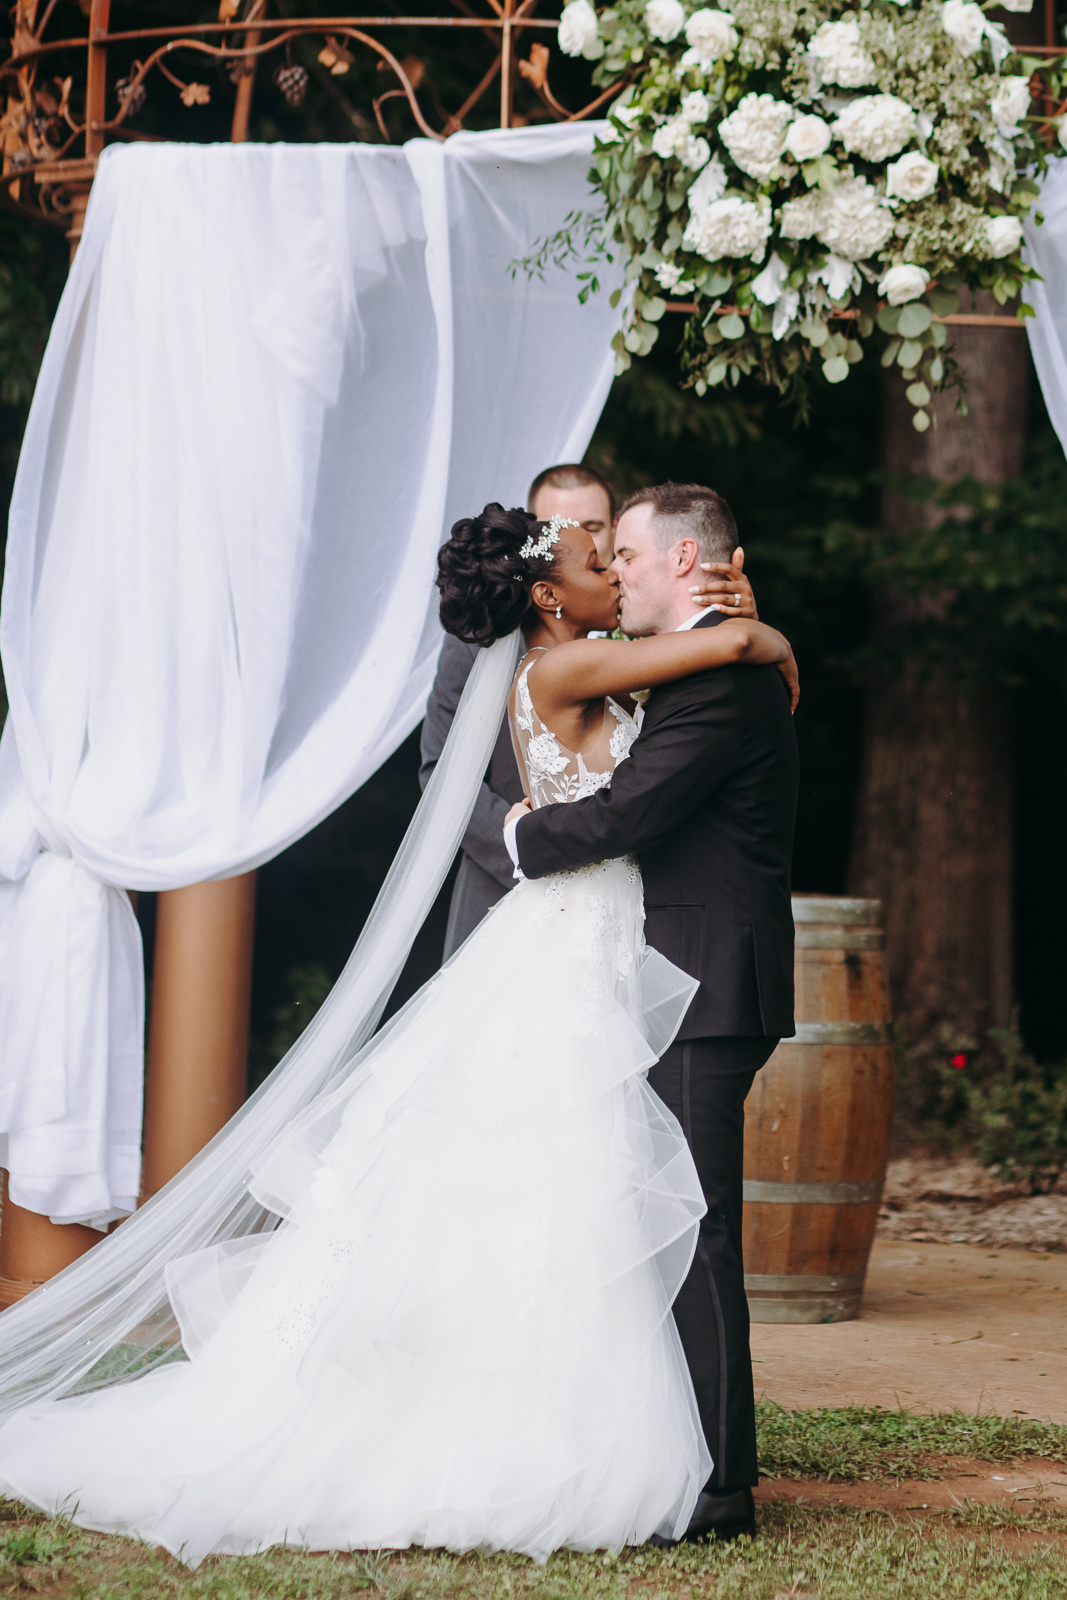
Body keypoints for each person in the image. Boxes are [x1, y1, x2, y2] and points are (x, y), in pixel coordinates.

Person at [0, 504, 797, 1566]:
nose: (611, 567)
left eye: (622, 552)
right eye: (594, 559)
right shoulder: (559, 674)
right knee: (554, 1194)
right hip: (569, 931)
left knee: (583, 1197)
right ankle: (614, 1450)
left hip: (611, 948)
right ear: (547, 595)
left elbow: (711, 663)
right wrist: (754, 636)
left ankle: (636, 1438)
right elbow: (706, 681)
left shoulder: (610, 659)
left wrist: (760, 635)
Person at [506, 484, 800, 1546]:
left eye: (625, 553)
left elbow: (633, 812)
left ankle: (719, 1482)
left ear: (683, 559)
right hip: (691, 968)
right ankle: (683, 1444)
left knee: (698, 1223)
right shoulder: (716, 660)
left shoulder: (720, 679)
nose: (615, 569)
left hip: (707, 976)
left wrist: (518, 837)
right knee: (670, 1213)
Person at [420, 463, 758, 958]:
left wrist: (730, 618)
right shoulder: (491, 651)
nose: (609, 572)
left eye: (596, 538)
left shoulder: (640, 629)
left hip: (633, 906)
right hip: (518, 891)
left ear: (612, 528)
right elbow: (442, 777)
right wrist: (528, 850)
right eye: (547, 526)